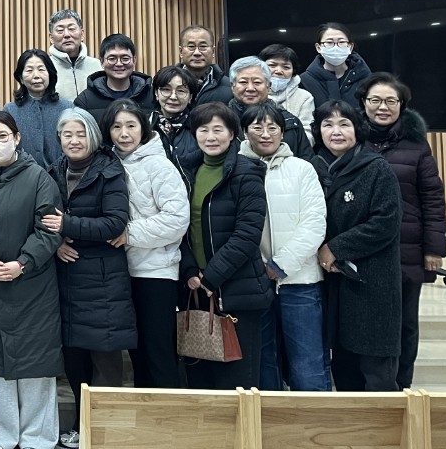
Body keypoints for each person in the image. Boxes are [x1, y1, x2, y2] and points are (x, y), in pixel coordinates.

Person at [0, 112, 63, 449]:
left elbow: (49, 228)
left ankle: (38, 438)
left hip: (33, 284)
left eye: (2, 136)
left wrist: (23, 262)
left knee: (37, 362)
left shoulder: (39, 177)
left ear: (17, 138)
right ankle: (2, 436)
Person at [43, 106, 134, 449]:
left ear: (93, 136)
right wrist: (56, 243)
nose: (74, 140)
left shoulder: (109, 171)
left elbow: (114, 223)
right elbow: (42, 218)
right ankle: (82, 426)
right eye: (67, 134)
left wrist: (67, 226)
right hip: (66, 279)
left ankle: (105, 432)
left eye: (81, 133)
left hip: (103, 280)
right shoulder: (54, 171)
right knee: (75, 359)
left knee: (104, 358)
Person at [357, 72, 446, 389]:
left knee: (406, 322)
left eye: (390, 101)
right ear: (364, 102)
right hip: (364, 248)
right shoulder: (352, 139)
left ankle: (402, 385)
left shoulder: (416, 144)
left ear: (402, 105)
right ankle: (368, 385)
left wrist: (434, 248)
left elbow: (432, 198)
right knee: (368, 320)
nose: (382, 107)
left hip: (406, 247)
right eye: (375, 100)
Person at [178, 102, 273, 390]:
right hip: (196, 289)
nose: (211, 137)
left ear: (232, 134)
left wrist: (212, 277)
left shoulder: (247, 173)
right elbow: (181, 228)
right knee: (201, 380)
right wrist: (190, 270)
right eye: (203, 130)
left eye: (218, 130)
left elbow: (247, 234)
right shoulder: (187, 172)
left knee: (237, 382)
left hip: (237, 290)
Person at [312, 100, 403, 391]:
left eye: (344, 124)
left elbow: (386, 222)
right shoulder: (313, 168)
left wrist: (336, 248)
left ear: (357, 129)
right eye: (328, 124)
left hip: (372, 283)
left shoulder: (376, 168)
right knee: (343, 367)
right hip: (332, 282)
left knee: (377, 373)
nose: (336, 131)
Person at [238, 103, 329, 391]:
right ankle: (266, 417)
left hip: (299, 280)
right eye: (257, 127)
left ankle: (311, 417)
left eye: (273, 128)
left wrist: (279, 266)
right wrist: (258, 269)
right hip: (253, 282)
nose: (265, 134)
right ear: (245, 132)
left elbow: (314, 223)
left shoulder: (302, 169)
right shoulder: (235, 168)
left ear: (283, 131)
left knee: (307, 363)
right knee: (263, 362)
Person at [103, 99, 187, 389]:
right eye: (117, 127)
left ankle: (168, 412)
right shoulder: (108, 163)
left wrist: (129, 234)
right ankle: (145, 413)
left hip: (155, 272)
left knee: (158, 353)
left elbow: (177, 219)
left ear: (143, 128)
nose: (124, 133)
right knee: (137, 353)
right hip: (120, 271)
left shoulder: (159, 165)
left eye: (131, 125)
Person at [228, 57, 313, 161]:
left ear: (269, 86)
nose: (250, 88)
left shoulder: (289, 122)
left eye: (257, 82)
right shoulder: (223, 121)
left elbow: (307, 160)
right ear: (232, 86)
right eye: (243, 82)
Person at [3, 48, 71, 170]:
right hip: (22, 176)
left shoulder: (67, 108)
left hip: (62, 176)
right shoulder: (10, 110)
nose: (36, 76)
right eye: (29, 70)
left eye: (41, 69)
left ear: (50, 74)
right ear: (21, 78)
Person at [73, 34, 152, 125]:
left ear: (134, 60)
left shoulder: (151, 96)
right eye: (112, 59)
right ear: (102, 61)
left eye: (125, 58)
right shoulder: (85, 100)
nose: (119, 64)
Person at [299, 23, 371, 111]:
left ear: (350, 47)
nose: (336, 47)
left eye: (341, 42)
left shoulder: (366, 79)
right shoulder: (305, 81)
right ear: (318, 48)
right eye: (329, 42)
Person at [149, 65, 200, 178]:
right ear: (156, 93)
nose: (173, 97)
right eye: (166, 90)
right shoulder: (145, 126)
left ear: (190, 97)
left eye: (181, 91)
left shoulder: (200, 126)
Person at [255, 44, 315, 132]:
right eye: (272, 65)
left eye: (286, 67)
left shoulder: (304, 97)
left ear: (293, 71)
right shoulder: (251, 93)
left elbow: (307, 132)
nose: (279, 71)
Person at [47, 10, 101, 101]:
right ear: (51, 38)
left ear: (82, 34)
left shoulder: (98, 66)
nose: (67, 34)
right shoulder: (45, 68)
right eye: (60, 30)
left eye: (71, 29)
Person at [177, 25, 233, 105]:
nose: (197, 53)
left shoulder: (230, 86)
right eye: (191, 46)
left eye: (203, 46)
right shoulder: (166, 82)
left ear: (213, 51)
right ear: (181, 51)